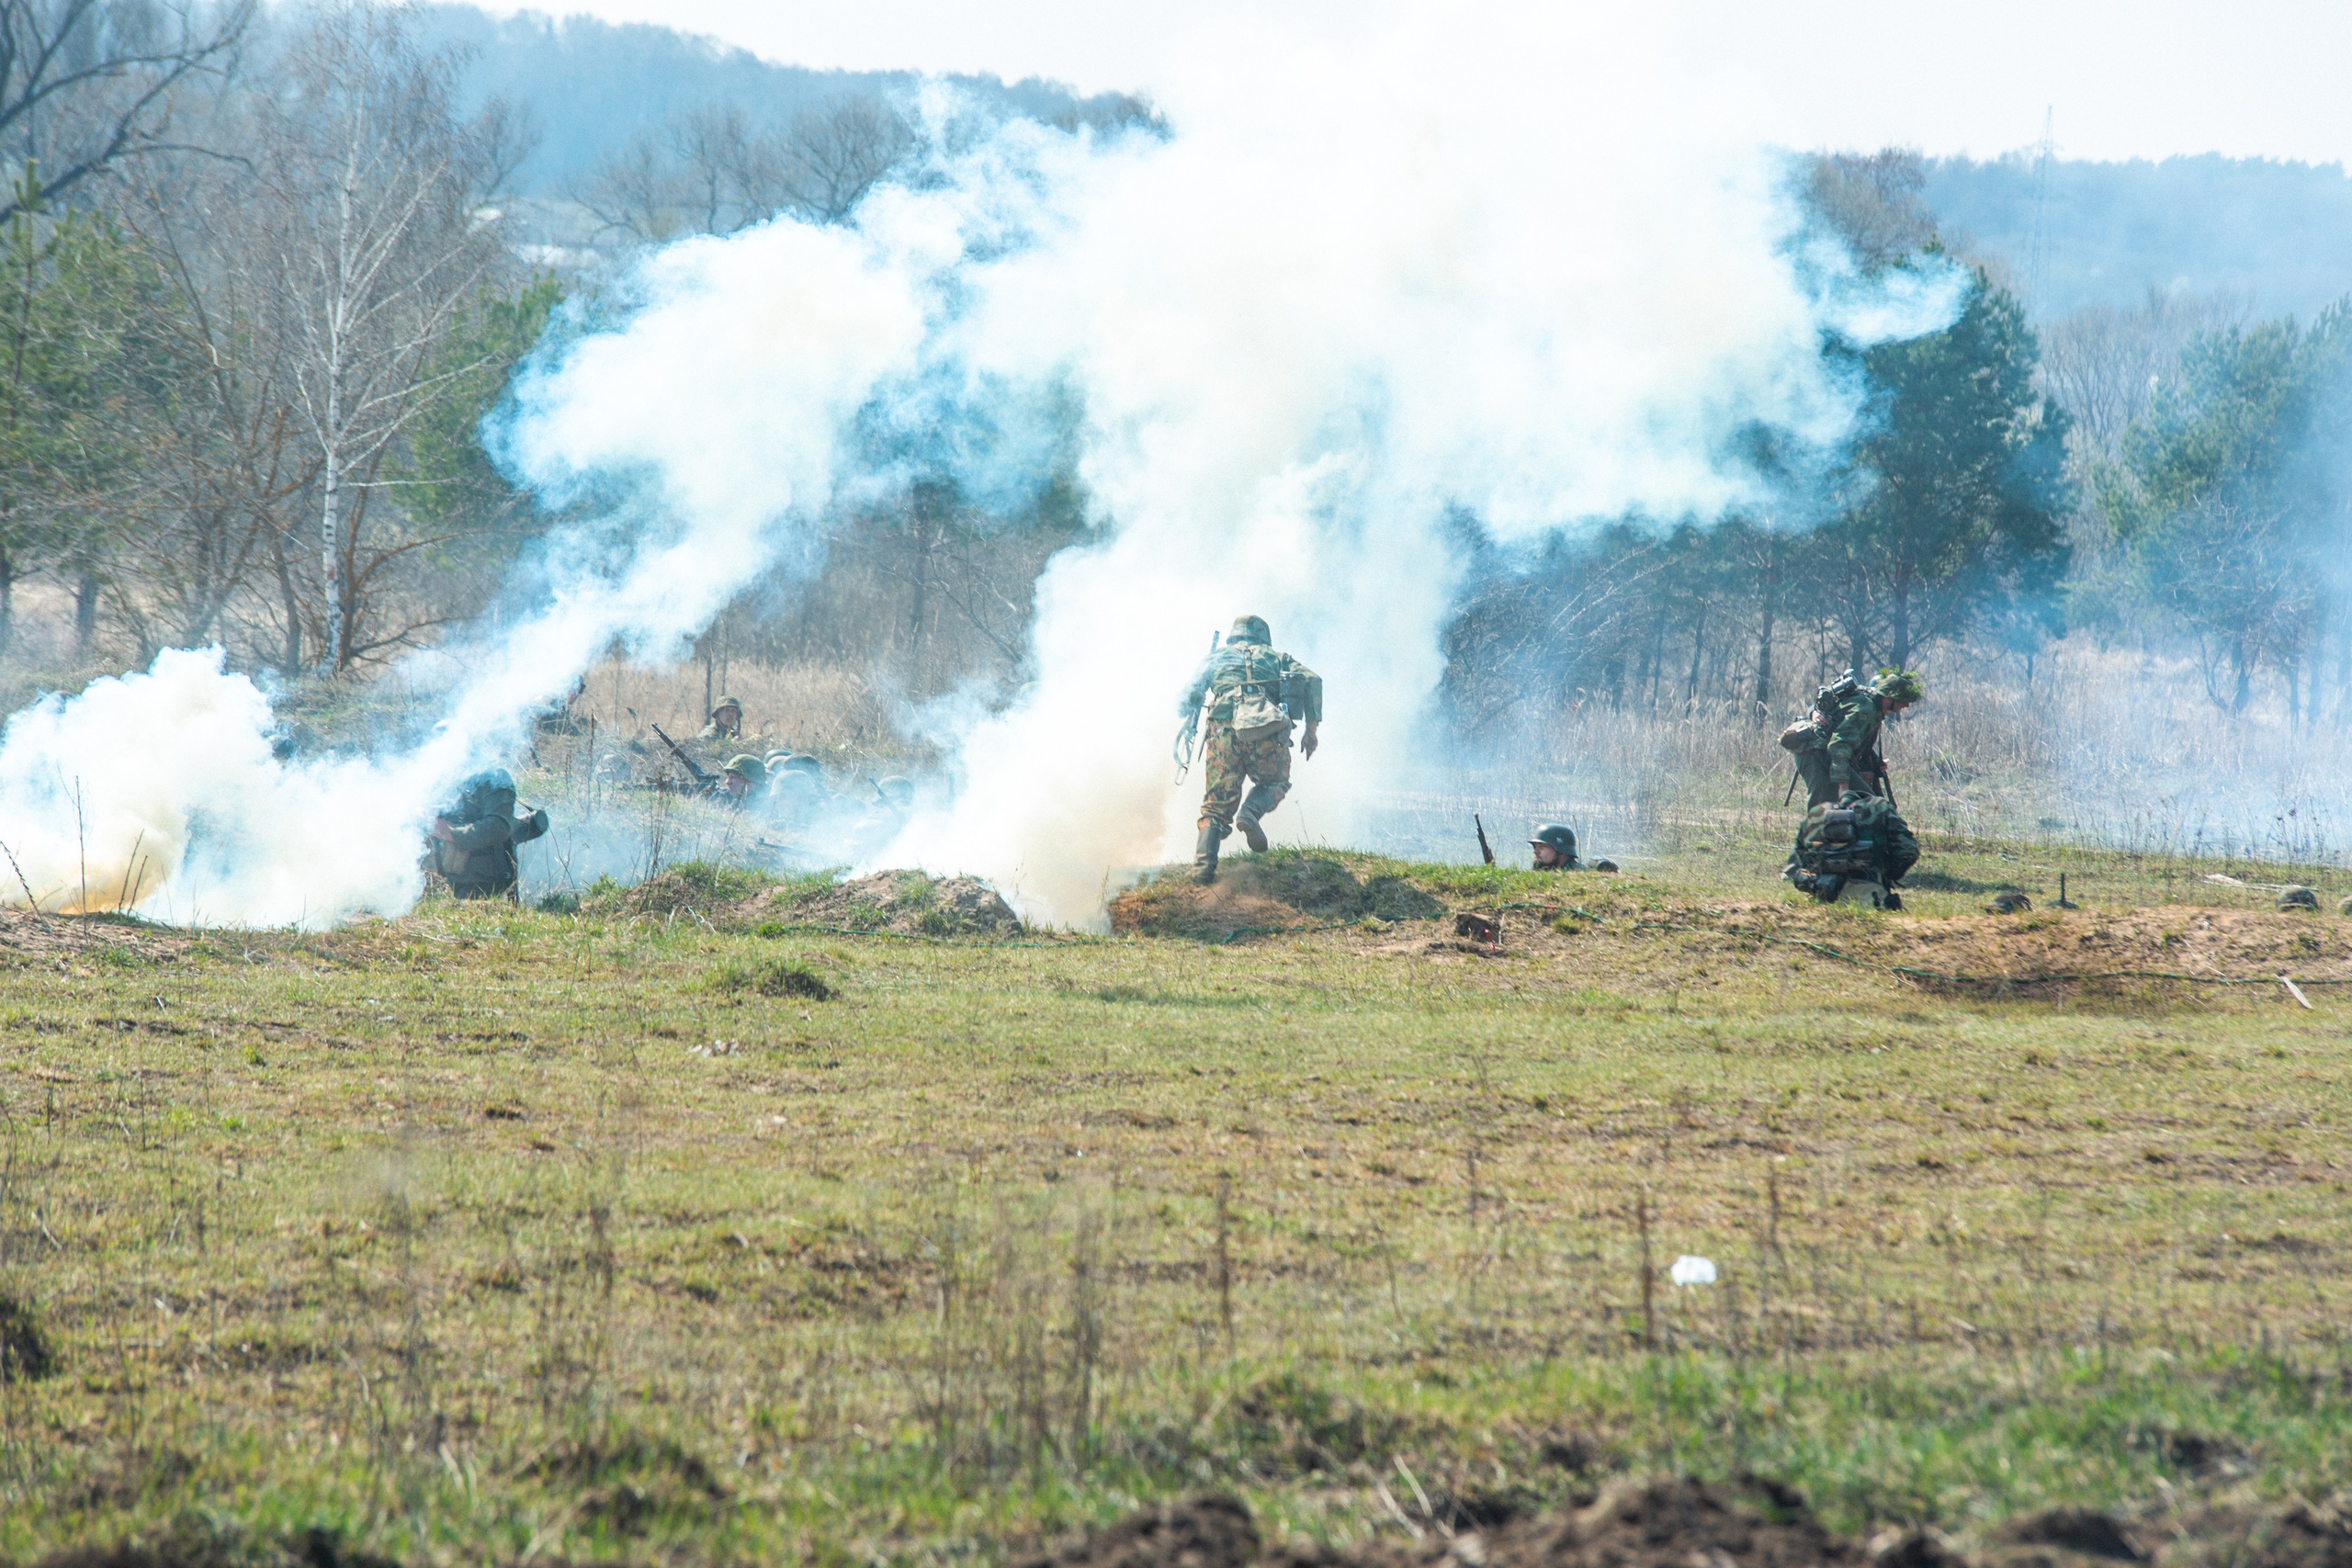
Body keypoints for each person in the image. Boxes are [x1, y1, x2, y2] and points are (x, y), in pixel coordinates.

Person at [1179, 615, 1322, 884]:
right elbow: (1312, 680)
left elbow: (1184, 701)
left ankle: (1202, 870)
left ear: (1234, 636)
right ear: (1263, 637)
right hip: (1266, 728)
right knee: (1275, 781)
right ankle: (1250, 813)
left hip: (1223, 730)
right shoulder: (1276, 657)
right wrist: (1311, 731)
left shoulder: (1215, 658)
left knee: (1216, 804)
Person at [1782, 668, 1924, 809]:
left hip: (1826, 752)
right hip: (1814, 752)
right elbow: (1839, 744)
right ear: (1889, 698)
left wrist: (1875, 762)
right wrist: (1844, 787)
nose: (1906, 705)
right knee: (1823, 807)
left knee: (1869, 805)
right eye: (1903, 700)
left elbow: (1853, 740)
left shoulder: (1872, 705)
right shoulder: (1866, 710)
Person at [425, 768, 549, 901]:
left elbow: (499, 826)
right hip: (444, 879)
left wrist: (450, 833)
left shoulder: (494, 777)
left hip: (479, 883)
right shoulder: (444, 775)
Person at [1787, 789, 1919, 908]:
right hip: (1871, 898)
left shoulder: (1815, 813)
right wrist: (1888, 874)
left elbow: (1801, 853)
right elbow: (1908, 852)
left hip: (1822, 898)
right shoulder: (1881, 808)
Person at [1528, 823, 1619, 874]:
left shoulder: (1579, 873)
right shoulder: (1545, 873)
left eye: (1542, 846)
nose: (1535, 851)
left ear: (1562, 851)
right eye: (1535, 846)